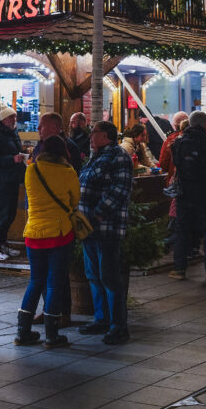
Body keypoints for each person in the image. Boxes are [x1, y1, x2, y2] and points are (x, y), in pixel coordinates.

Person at [15, 135, 80, 349]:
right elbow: (74, 201)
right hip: (60, 233)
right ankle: (52, 335)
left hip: (33, 233)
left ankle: (23, 332)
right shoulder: (68, 172)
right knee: (54, 284)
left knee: (35, 281)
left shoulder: (31, 171)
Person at [78, 121, 133, 344]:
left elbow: (120, 190)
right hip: (88, 229)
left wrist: (98, 214)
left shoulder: (118, 156)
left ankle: (118, 326)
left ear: (106, 136)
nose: (91, 136)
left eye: (95, 133)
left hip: (106, 228)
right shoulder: (96, 156)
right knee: (93, 276)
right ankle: (101, 319)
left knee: (110, 278)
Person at [169, 111, 206, 282]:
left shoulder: (179, 142)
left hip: (184, 192)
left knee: (182, 230)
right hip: (204, 192)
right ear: (205, 125)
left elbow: (176, 162)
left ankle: (180, 269)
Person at [0, 105, 26, 262]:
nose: (14, 120)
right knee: (2, 213)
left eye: (15, 117)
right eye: (11, 117)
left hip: (13, 179)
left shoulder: (12, 133)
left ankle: (3, 244)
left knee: (10, 213)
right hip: (2, 180)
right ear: (3, 119)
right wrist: (12, 159)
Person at [158, 111, 189, 181]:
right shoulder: (197, 138)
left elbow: (163, 164)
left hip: (176, 180)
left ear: (175, 126)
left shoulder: (170, 140)